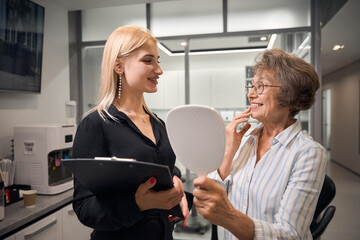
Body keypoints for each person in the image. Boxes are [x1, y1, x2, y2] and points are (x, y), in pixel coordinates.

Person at [192, 48, 327, 239]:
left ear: (290, 94)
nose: (251, 95)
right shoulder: (244, 140)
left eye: (261, 87)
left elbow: (290, 234)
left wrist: (229, 217)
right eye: (251, 86)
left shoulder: (308, 153)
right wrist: (229, 150)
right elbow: (211, 205)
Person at [72, 26, 189, 240]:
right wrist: (138, 204)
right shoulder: (95, 124)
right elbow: (84, 207)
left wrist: (175, 179)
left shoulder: (158, 124)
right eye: (148, 61)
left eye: (158, 61)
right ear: (119, 65)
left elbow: (165, 167)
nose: (159, 70)